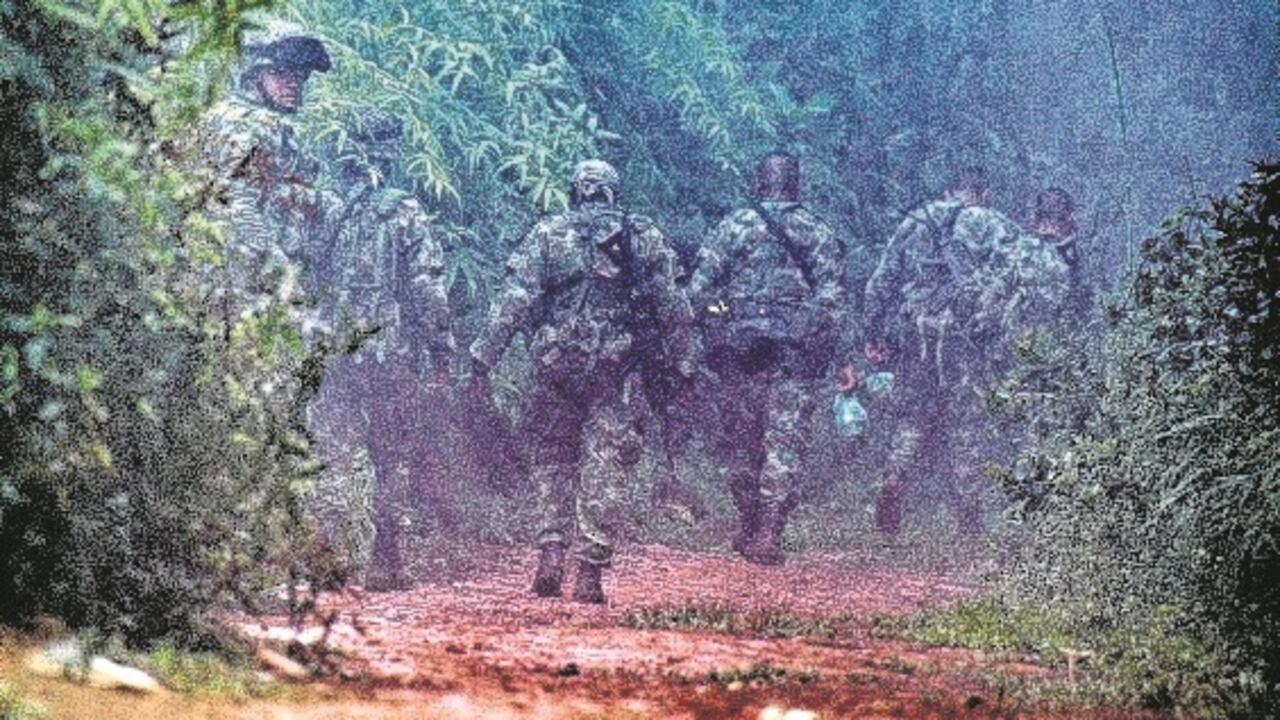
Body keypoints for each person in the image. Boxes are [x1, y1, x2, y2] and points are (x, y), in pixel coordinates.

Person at [469, 160, 694, 603]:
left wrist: (482, 360)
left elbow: (513, 303)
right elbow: (674, 308)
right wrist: (684, 366)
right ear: (613, 192)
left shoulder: (549, 233)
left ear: (574, 193)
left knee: (551, 457)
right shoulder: (642, 236)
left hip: (556, 364)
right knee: (606, 462)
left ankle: (551, 554)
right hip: (616, 367)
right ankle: (589, 572)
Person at [861, 166, 1064, 536]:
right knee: (966, 424)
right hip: (964, 341)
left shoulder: (915, 221)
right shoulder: (993, 223)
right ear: (983, 193)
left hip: (916, 335)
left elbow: (881, 281)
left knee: (912, 417)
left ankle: (894, 476)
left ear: (948, 190)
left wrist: (873, 332)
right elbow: (1030, 270)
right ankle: (968, 515)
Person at [307, 108, 456, 590]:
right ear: (390, 156)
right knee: (391, 454)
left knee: (332, 450)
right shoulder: (404, 211)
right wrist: (442, 352)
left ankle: (328, 561)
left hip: (330, 348)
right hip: (387, 352)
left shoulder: (323, 206)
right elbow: (429, 289)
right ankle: (385, 562)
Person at [687, 152, 844, 565]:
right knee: (784, 442)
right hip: (792, 354)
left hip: (739, 354)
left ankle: (751, 521)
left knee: (740, 441)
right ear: (796, 185)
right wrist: (818, 345)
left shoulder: (734, 227)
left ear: (759, 184)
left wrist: (719, 323)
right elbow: (831, 300)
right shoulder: (816, 230)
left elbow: (699, 291)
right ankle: (768, 529)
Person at [189, 23, 334, 320]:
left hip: (240, 277)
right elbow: (238, 202)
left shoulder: (246, 118)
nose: (293, 83)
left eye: (300, 75)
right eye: (281, 72)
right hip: (240, 284)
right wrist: (280, 275)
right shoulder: (246, 124)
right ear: (254, 74)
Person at [1030, 187, 1091, 316]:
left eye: (1071, 213)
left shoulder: (1071, 250)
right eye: (1062, 217)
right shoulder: (1034, 254)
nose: (1073, 220)